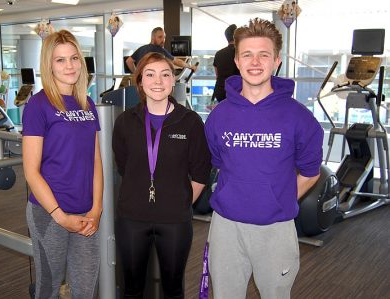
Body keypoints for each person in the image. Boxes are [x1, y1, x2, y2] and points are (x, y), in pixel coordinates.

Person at [204, 18, 323, 298]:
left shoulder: (300, 119)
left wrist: (276, 199)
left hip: (276, 229)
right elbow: (221, 164)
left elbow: (310, 172)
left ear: (277, 60)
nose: (255, 62)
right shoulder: (219, 116)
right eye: (247, 54)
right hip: (226, 227)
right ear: (236, 60)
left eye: (263, 54)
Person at [112, 52, 211, 299]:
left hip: (175, 220)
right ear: (140, 81)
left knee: (173, 288)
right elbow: (124, 166)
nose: (158, 81)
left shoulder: (190, 122)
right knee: (132, 288)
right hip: (132, 218)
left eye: (165, 74)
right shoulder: (125, 122)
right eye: (150, 74)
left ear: (174, 80)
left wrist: (178, 204)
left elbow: (200, 173)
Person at [22, 30, 103, 298]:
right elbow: (31, 171)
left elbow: (95, 161)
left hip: (85, 214)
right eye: (60, 60)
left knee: (85, 290)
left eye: (74, 58)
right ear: (49, 65)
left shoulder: (87, 104)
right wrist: (60, 216)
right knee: (49, 289)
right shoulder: (38, 105)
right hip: (50, 214)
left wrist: (97, 208)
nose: (69, 66)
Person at [125, 27, 198, 74]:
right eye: (160, 37)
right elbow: (177, 61)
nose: (163, 40)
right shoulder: (159, 50)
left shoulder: (141, 48)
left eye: (164, 37)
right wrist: (191, 66)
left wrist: (136, 74)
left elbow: (129, 61)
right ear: (153, 38)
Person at [211, 24, 240, 103]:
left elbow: (217, 75)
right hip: (237, 91)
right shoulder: (241, 53)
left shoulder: (218, 54)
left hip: (221, 91)